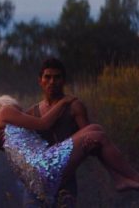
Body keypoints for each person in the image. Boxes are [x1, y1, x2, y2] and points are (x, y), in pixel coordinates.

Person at [0, 95, 139, 206]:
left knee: (95, 130)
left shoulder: (3, 135)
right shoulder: (4, 112)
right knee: (97, 134)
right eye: (16, 107)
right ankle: (137, 177)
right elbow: (44, 123)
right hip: (43, 166)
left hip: (40, 175)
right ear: (2, 105)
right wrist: (63, 101)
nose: (18, 110)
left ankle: (120, 179)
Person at [24, 58, 90, 206]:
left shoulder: (74, 107)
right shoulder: (32, 113)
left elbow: (89, 141)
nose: (52, 81)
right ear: (40, 81)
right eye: (47, 77)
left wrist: (71, 166)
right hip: (36, 182)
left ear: (63, 80)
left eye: (56, 77)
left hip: (66, 181)